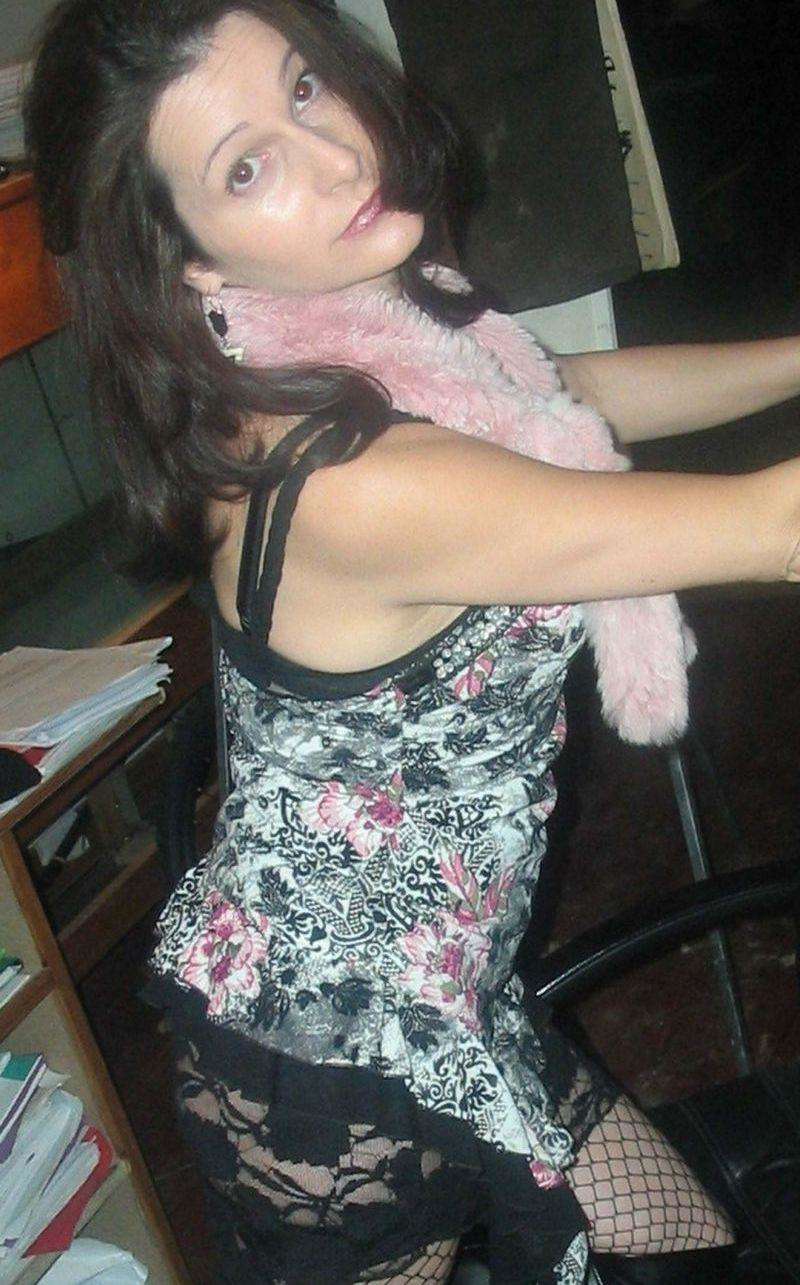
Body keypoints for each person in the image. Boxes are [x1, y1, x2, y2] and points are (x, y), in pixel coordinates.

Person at [24, 1, 800, 1281]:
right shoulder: (359, 483)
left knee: (686, 1245)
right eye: (246, 167)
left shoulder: (356, 347)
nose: (336, 156)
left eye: (304, 90)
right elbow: (771, 527)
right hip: (329, 1079)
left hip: (441, 989)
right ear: (190, 263)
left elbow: (565, 394)